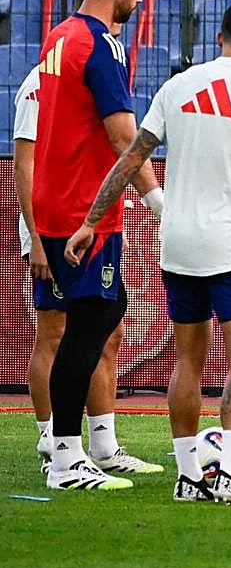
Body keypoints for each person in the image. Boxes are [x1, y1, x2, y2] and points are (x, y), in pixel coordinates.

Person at [65, 2, 231, 504]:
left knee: (187, 362)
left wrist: (89, 222)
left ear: (217, 38)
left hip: (179, 244)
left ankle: (189, 476)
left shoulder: (176, 87)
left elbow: (130, 159)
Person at [35, 0, 165, 491]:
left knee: (100, 316)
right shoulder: (101, 44)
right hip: (83, 206)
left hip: (54, 199)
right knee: (89, 326)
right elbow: (122, 136)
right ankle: (66, 459)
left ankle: (95, 448)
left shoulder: (59, 35)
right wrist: (159, 202)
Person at [15, 63, 161, 476]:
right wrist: (38, 240)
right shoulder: (40, 85)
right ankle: (52, 438)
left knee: (107, 330)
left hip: (89, 225)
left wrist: (111, 225)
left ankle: (103, 444)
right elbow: (24, 165)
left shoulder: (87, 85)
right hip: (53, 228)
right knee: (56, 331)